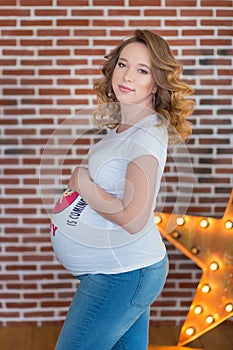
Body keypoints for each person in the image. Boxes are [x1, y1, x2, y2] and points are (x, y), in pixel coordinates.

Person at [51, 29, 194, 350]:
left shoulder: (144, 135)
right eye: (123, 65)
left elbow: (133, 217)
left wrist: (83, 183)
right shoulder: (128, 126)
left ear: (155, 83)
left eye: (142, 70)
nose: (127, 76)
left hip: (123, 273)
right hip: (121, 271)